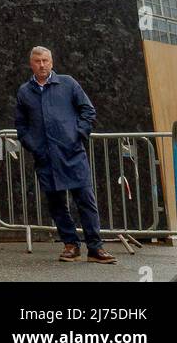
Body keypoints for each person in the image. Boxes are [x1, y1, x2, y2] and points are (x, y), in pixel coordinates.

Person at [14, 46, 115, 264]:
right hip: (46, 158)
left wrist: (78, 135)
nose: (42, 64)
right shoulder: (24, 91)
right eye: (38, 61)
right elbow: (21, 125)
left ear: (52, 62)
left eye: (46, 60)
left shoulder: (68, 83)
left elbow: (88, 110)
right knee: (57, 204)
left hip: (72, 154)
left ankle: (95, 248)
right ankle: (71, 245)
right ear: (31, 64)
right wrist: (33, 145)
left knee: (86, 201)